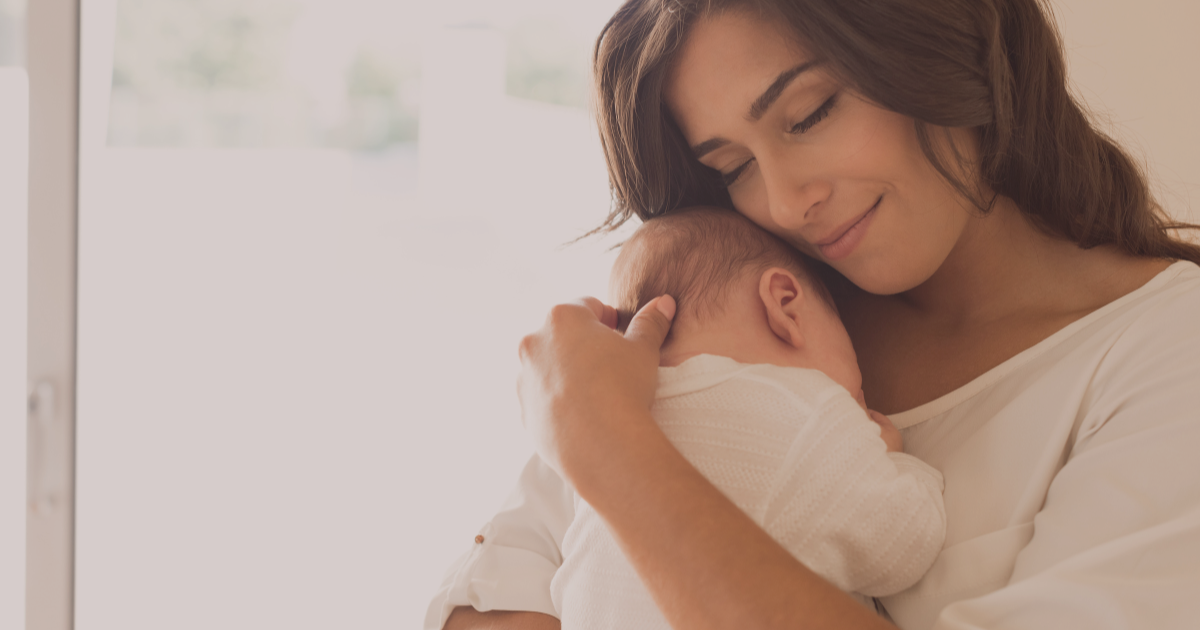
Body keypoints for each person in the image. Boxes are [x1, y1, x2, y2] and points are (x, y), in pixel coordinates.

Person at [436, 0, 1200, 628]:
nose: (785, 201)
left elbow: (585, 480)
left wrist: (611, 450)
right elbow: (487, 601)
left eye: (809, 114)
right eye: (732, 168)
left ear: (938, 39)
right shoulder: (741, 325)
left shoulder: (1165, 353)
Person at [549, 206, 945, 629]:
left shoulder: (609, 436)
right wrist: (892, 460)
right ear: (786, 305)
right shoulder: (802, 411)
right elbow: (903, 546)